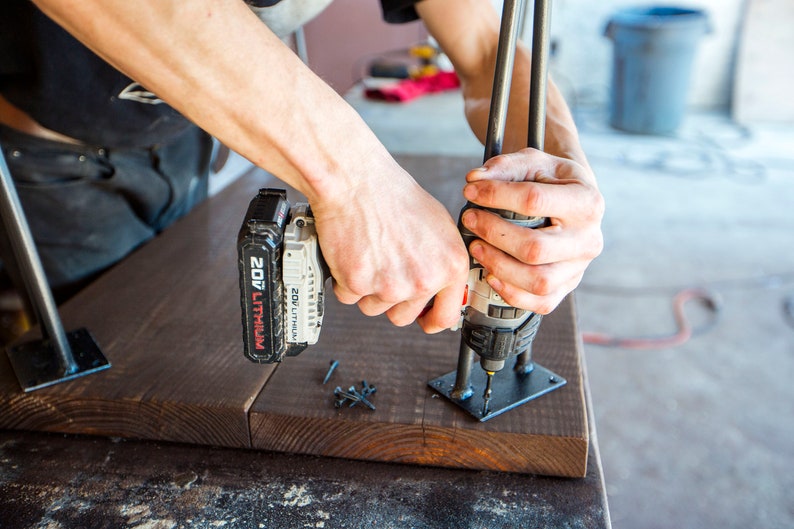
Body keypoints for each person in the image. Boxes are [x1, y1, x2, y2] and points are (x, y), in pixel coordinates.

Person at [0, 0, 604, 335]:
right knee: (101, 381)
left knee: (174, 326)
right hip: (46, 146)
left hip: (186, 130)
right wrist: (357, 179)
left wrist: (562, 172)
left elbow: (484, 47)